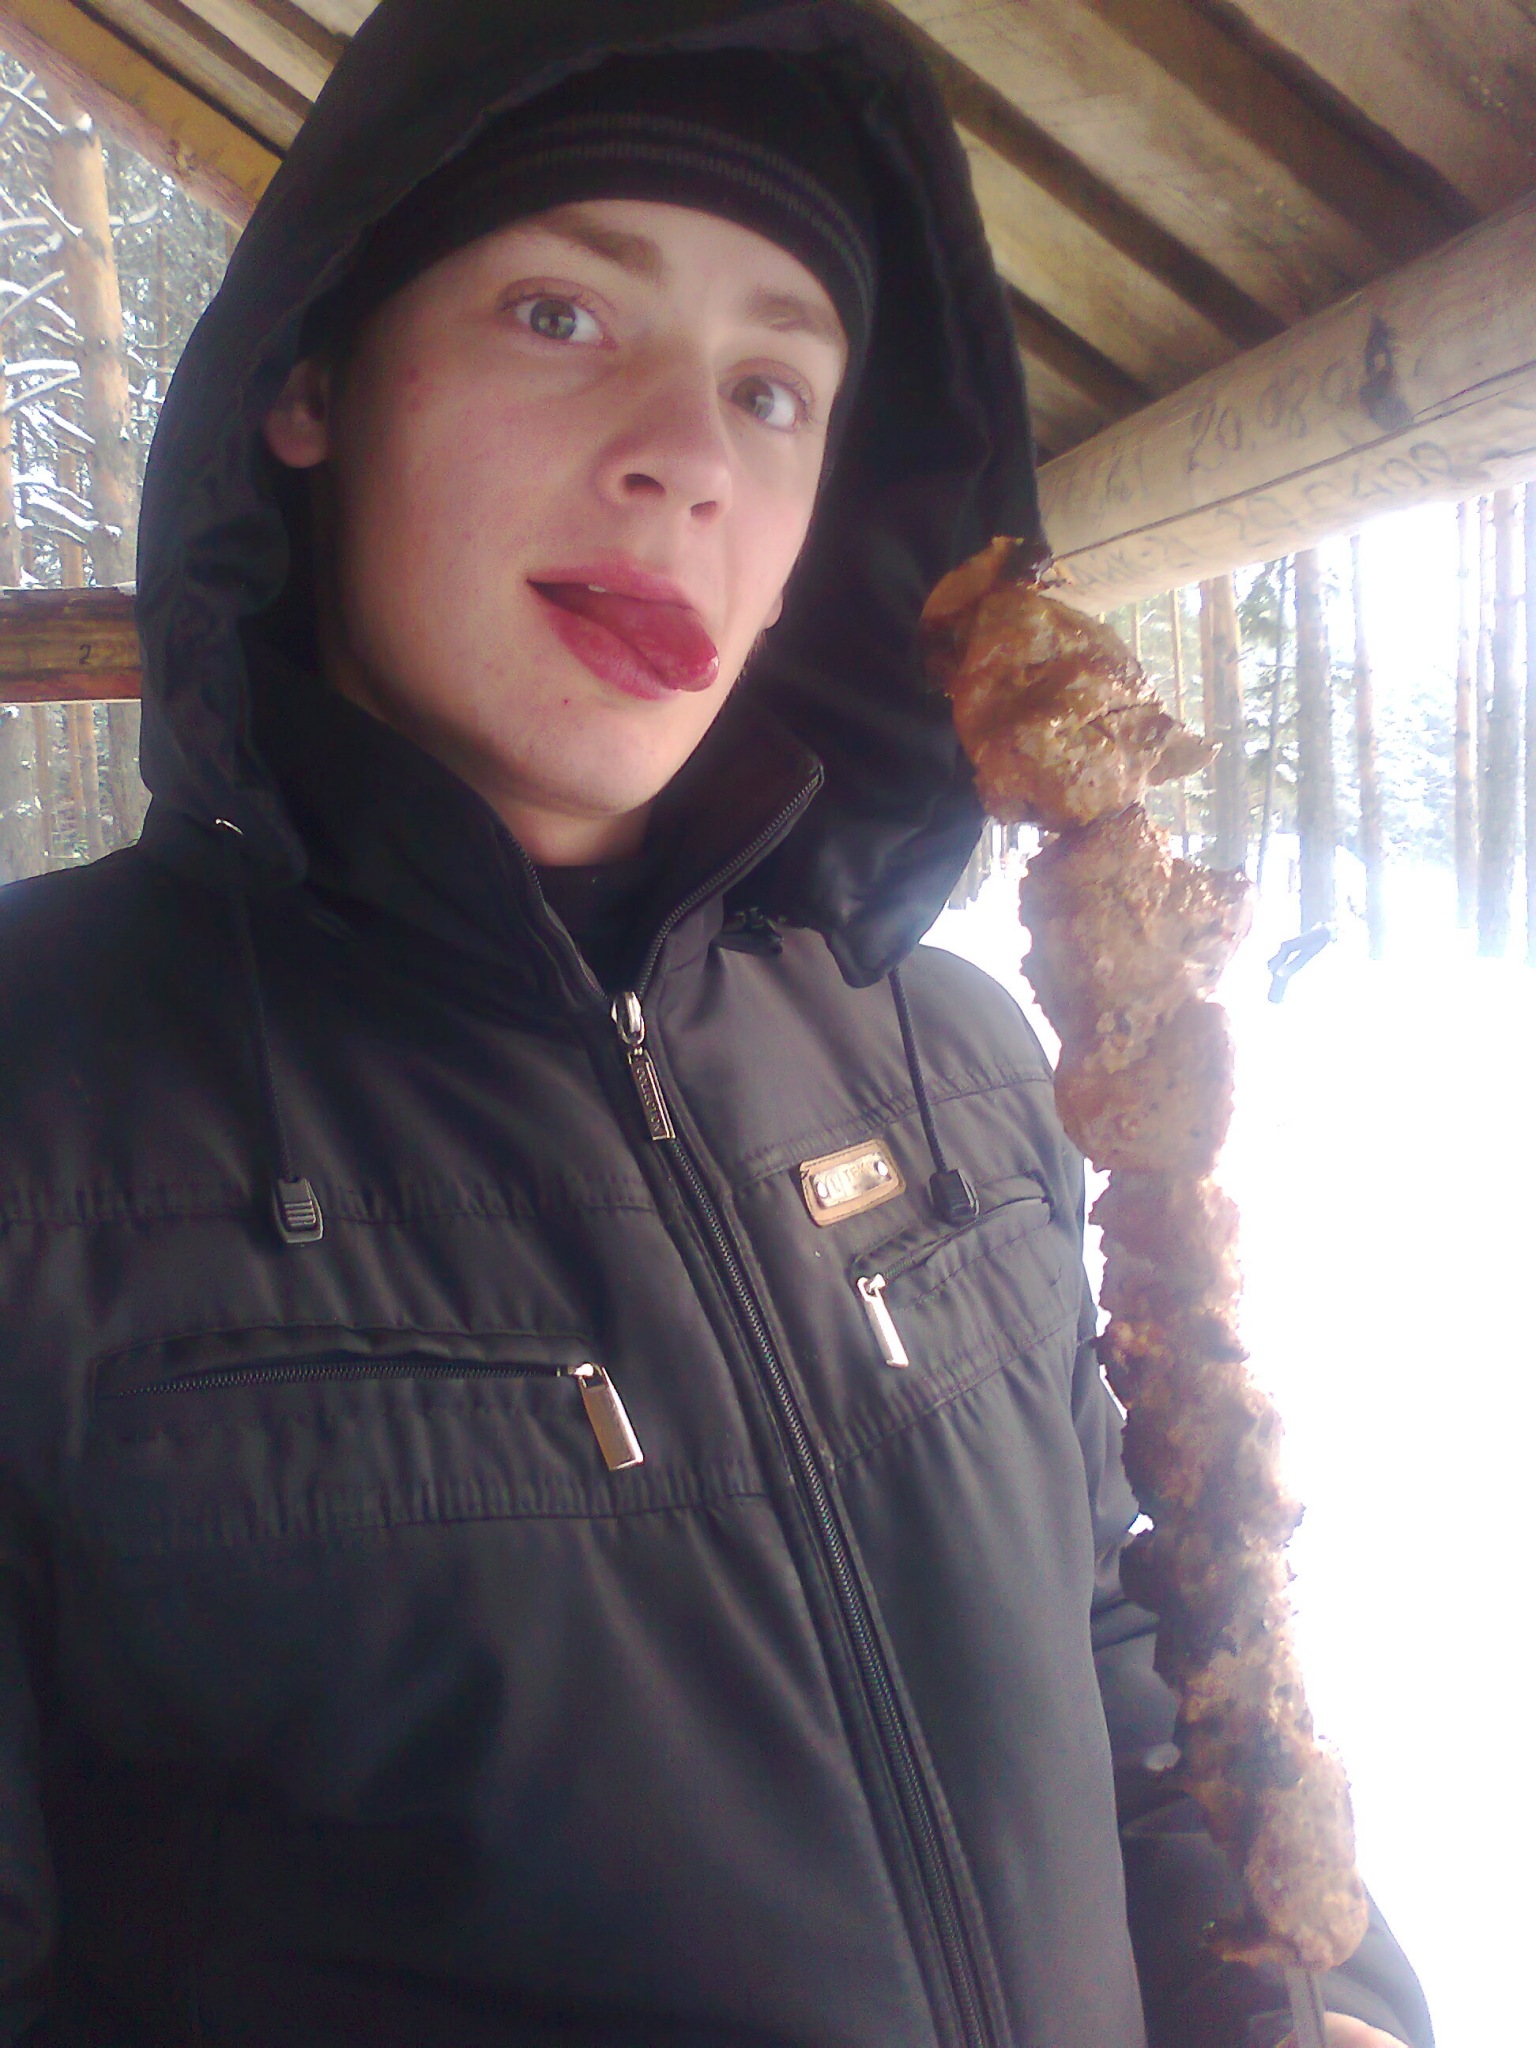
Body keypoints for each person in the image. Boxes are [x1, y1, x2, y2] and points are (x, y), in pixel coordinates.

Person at [0, 3, 1432, 2044]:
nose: (685, 454)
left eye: (773, 387)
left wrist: (1312, 1999)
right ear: (314, 380)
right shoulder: (45, 1103)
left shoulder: (961, 1055)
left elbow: (1119, 1650)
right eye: (562, 315)